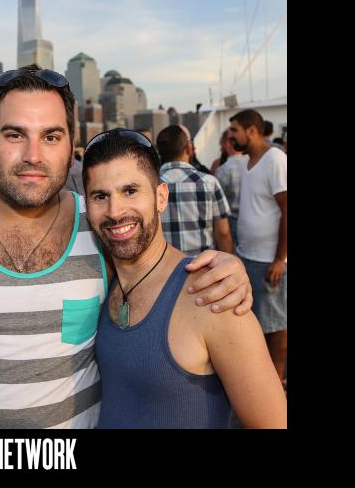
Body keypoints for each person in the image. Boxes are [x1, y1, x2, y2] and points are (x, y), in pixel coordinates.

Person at [0, 65, 253, 429]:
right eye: (15, 134)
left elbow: (161, 275)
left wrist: (226, 269)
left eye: (51, 136)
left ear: (70, 147)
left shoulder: (101, 225)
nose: (33, 155)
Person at [82, 129, 286, 428]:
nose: (115, 211)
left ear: (160, 197)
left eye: (130, 191)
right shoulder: (100, 282)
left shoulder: (212, 294)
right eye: (101, 196)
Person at [230, 110, 287, 390]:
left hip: (268, 262)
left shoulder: (275, 159)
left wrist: (280, 259)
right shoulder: (247, 162)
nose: (231, 136)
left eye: (235, 130)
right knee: (260, 324)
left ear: (252, 130)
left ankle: (276, 386)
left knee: (276, 326)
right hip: (249, 257)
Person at [157, 125, 233, 256]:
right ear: (188, 148)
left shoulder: (150, 185)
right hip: (202, 263)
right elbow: (223, 233)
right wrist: (228, 260)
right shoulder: (209, 182)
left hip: (164, 265)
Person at [215, 128, 248, 248]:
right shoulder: (253, 163)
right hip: (254, 220)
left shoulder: (223, 170)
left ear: (227, 144)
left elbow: (218, 203)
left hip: (233, 221)